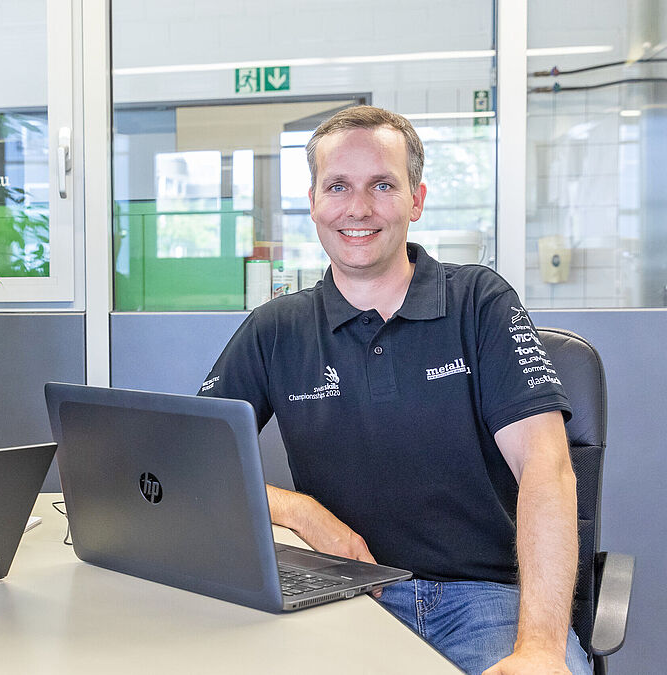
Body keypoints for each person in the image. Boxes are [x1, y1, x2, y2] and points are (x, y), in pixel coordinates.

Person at [199, 106, 587, 675]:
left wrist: (541, 648)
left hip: (488, 601)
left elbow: (546, 469)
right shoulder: (276, 329)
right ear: (313, 202)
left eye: (382, 184)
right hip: (342, 595)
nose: (358, 208)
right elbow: (194, 469)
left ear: (417, 200)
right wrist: (297, 510)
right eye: (338, 186)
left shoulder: (479, 302)